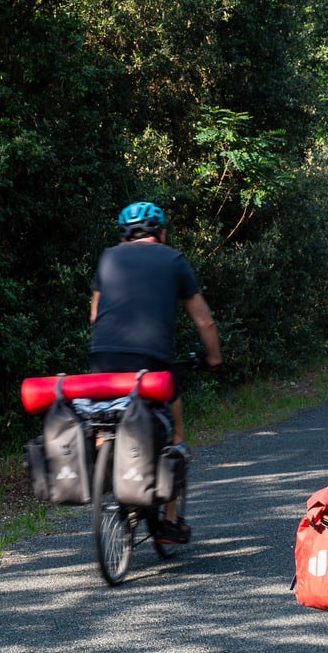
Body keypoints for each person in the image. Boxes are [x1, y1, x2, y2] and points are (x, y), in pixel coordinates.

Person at [89, 200, 223, 543]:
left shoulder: (108, 257)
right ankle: (170, 519)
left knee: (105, 414)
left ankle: (105, 457)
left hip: (102, 361)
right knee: (173, 429)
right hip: (151, 365)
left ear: (125, 235)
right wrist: (214, 358)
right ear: (160, 233)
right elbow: (203, 319)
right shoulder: (174, 260)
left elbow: (94, 316)